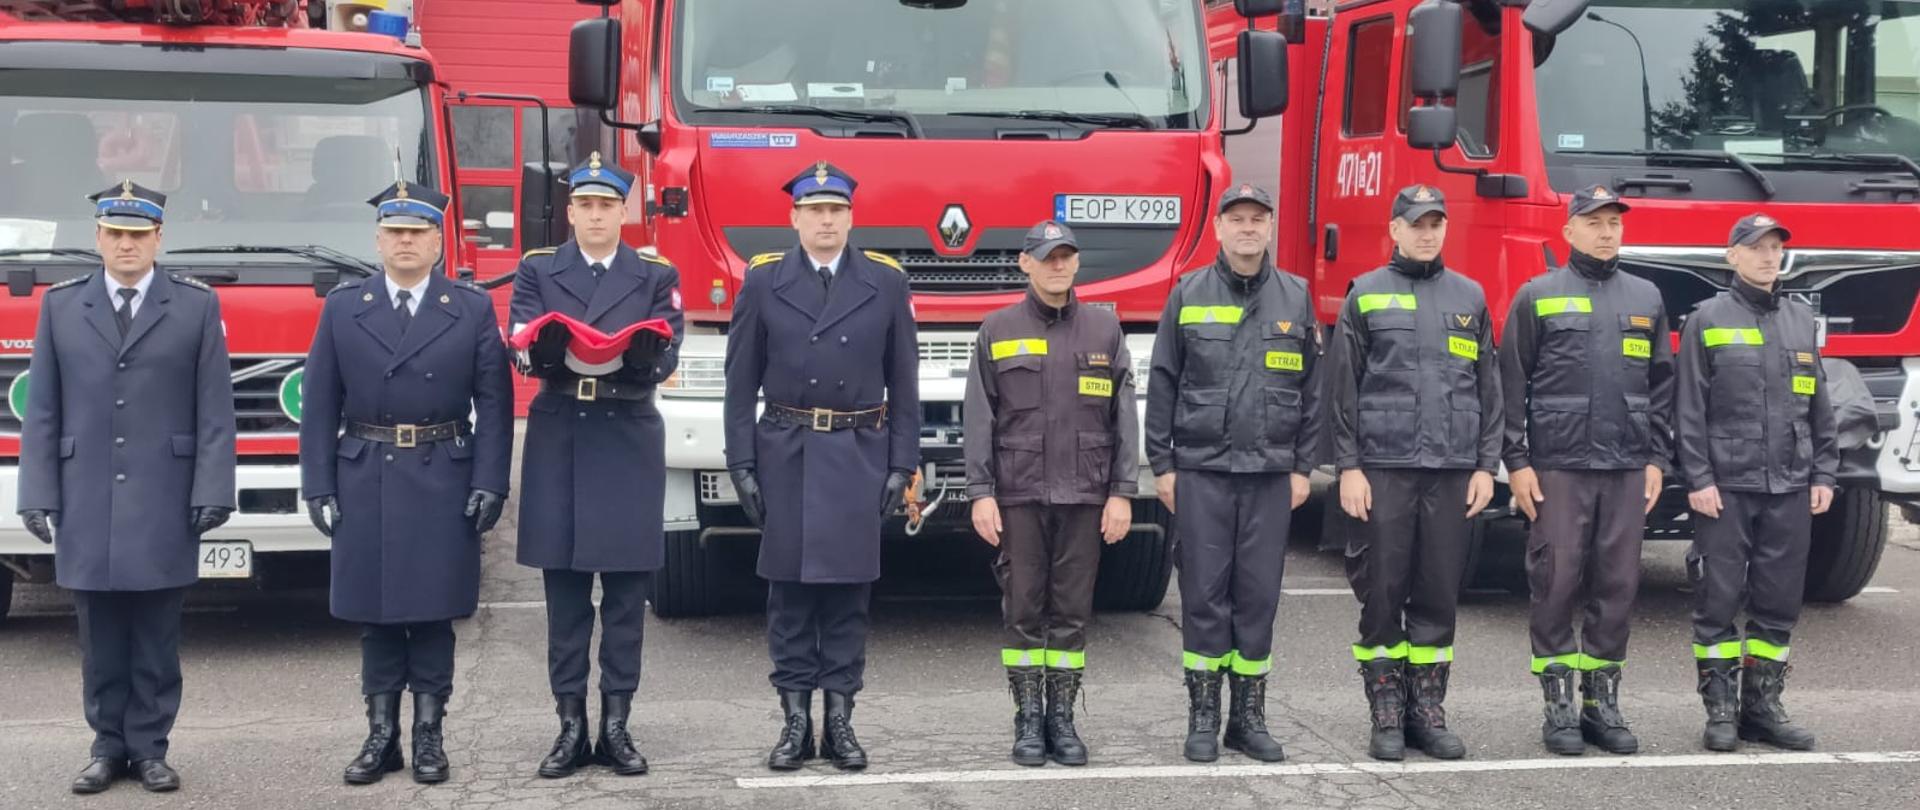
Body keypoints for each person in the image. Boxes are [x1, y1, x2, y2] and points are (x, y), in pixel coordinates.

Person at [16, 180, 236, 794]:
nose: (127, 245)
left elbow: (215, 407)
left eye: (139, 235)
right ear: (98, 239)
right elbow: (44, 412)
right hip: (85, 493)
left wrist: (212, 488)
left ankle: (150, 748)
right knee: (99, 637)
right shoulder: (63, 306)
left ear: (159, 238)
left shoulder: (194, 306)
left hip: (165, 494)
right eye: (115, 234)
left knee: (156, 638)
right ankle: (106, 747)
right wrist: (37, 493)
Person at [299, 180, 514, 785]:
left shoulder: (468, 308)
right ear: (377, 240)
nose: (405, 243)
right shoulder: (345, 307)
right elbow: (320, 404)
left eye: (417, 232)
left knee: (434, 613)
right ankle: (380, 736)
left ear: (437, 241)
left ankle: (428, 736)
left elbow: (494, 406)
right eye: (395, 232)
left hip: (442, 473)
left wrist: (490, 481)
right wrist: (318, 484)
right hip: (365, 472)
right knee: (377, 614)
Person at [723, 161, 920, 771]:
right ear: (794, 218)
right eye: (814, 211)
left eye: (835, 210)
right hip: (786, 451)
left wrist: (901, 464)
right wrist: (742, 464)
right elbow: (738, 383)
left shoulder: (885, 282)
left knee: (847, 597)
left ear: (851, 217)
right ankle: (793, 722)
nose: (825, 220)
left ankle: (839, 721)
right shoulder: (763, 282)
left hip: (858, 454)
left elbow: (905, 382)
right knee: (788, 597)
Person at [508, 153, 682, 779]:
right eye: (585, 204)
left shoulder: (654, 272)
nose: (595, 215)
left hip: (628, 429)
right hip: (563, 431)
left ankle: (616, 724)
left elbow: (671, 344)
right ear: (571, 211)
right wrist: (540, 357)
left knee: (628, 596)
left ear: (623, 211)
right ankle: (569, 725)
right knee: (565, 595)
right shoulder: (539, 269)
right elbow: (519, 342)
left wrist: (645, 362)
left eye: (607, 205)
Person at [1145, 184, 1321, 764]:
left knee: (1258, 597)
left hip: (1271, 474)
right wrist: (1163, 464)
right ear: (1218, 228)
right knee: (1202, 595)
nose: (1248, 228)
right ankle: (1203, 718)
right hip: (1201, 471)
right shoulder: (1187, 293)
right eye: (1237, 219)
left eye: (1258, 219)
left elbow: (1314, 391)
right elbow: (1164, 381)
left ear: (1270, 228)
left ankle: (1247, 718)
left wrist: (1303, 468)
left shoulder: (1295, 297)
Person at [1326, 184, 1500, 762]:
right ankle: (1386, 715)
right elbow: (1343, 389)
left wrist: (1485, 465)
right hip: (1384, 469)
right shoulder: (1367, 295)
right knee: (1382, 591)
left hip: (1451, 470)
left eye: (1436, 223)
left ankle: (1427, 712)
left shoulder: (1469, 298)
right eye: (1416, 223)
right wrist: (1348, 467)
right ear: (1394, 229)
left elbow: (1489, 390)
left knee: (1437, 593)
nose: (1427, 233)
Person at [1498, 185, 1673, 756]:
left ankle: (1601, 704)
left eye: (1613, 223)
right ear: (1567, 231)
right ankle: (1558, 708)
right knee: (1555, 583)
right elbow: (1511, 385)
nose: (1606, 232)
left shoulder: (1646, 297)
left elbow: (1662, 386)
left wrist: (1656, 459)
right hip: (1558, 468)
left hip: (1625, 467)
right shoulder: (1538, 295)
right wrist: (1518, 463)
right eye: (1593, 222)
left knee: (1618, 586)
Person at [964, 220, 1137, 767]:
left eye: (1066, 256)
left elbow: (1123, 419)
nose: (1057, 265)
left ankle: (1061, 721)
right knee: (1021, 610)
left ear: (1077, 263)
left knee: (1071, 611)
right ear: (1026, 263)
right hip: (1017, 493)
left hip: (1086, 494)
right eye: (1047, 257)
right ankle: (1026, 721)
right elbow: (979, 418)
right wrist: (979, 491)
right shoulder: (997, 328)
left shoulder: (1104, 331)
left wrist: (1122, 492)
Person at [1674, 213, 1836, 753]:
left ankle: (1761, 709)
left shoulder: (1799, 320)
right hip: (1726, 484)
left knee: (1778, 601)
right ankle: (1720, 711)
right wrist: (1697, 476)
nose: (1768, 256)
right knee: (1718, 600)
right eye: (1756, 247)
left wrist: (1825, 472)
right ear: (1732, 256)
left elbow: (1820, 407)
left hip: (1790, 483)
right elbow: (1689, 407)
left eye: (1775, 248)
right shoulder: (1707, 319)